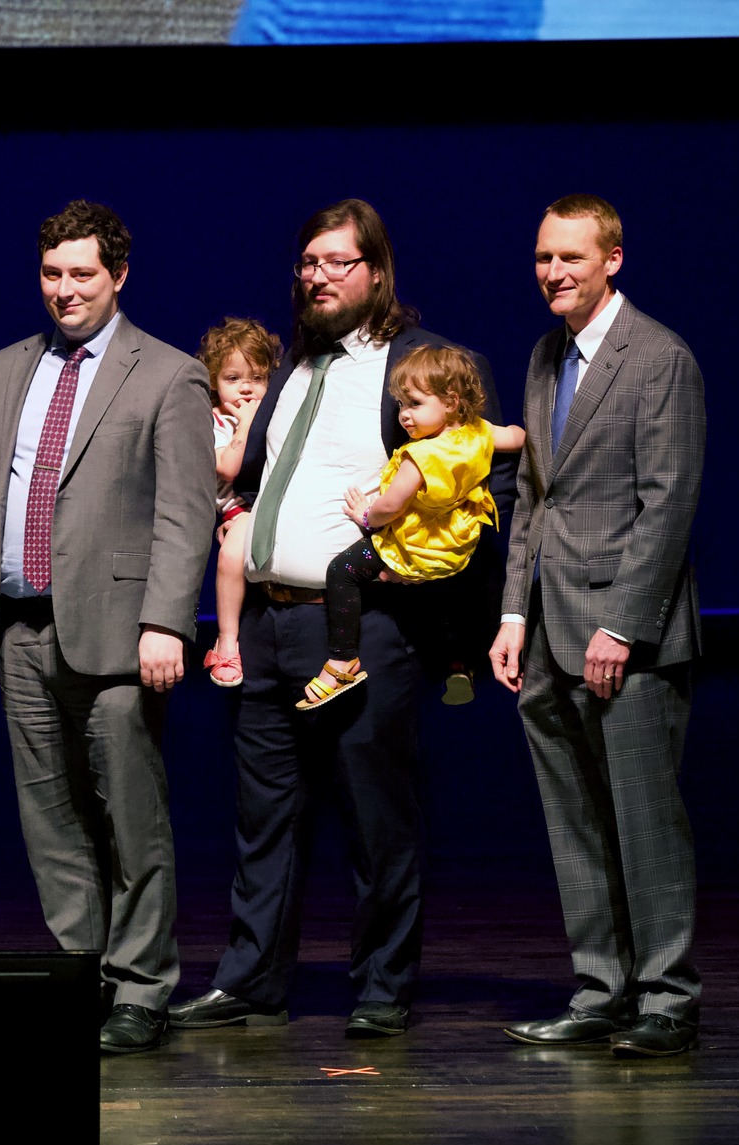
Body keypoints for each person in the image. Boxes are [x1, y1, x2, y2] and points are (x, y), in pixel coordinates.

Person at [169, 199, 511, 1040]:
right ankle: (251, 979)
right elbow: (251, 479)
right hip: (267, 625)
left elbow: (480, 474)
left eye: (336, 262)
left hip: (361, 626)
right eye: (308, 263)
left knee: (377, 812)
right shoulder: (291, 370)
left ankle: (384, 986)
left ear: (376, 272)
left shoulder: (416, 367)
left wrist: (430, 572)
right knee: (263, 817)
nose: (317, 276)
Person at [0, 199, 216, 1055]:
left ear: (119, 276)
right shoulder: (5, 367)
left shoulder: (168, 374)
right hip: (22, 628)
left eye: (82, 275)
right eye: (52, 274)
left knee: (130, 815)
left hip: (120, 632)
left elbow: (186, 514)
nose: (65, 290)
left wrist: (168, 622)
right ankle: (82, 970)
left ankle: (142, 985)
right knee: (50, 817)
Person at [493, 194, 705, 1058]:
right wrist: (513, 611)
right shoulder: (548, 355)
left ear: (613, 258)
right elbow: (535, 496)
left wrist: (621, 625)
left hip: (627, 636)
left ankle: (667, 997)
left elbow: (668, 506)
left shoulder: (659, 357)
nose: (554, 272)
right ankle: (602, 988)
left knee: (644, 818)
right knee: (574, 819)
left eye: (571, 258)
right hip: (548, 627)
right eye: (544, 257)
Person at [301, 344, 524, 710]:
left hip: (414, 545)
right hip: (452, 550)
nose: (404, 416)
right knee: (440, 599)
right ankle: (457, 662)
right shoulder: (479, 433)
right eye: (401, 405)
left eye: (415, 404)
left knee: (341, 572)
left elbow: (391, 506)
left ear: (451, 401)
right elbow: (515, 437)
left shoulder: (418, 457)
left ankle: (342, 660)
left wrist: (365, 516)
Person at [200, 318, 282, 689]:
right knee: (233, 553)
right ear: (215, 382)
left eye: (257, 378)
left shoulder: (276, 415)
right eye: (233, 379)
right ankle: (227, 643)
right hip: (236, 507)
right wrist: (246, 422)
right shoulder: (215, 419)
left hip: (271, 503)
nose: (246, 388)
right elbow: (229, 467)